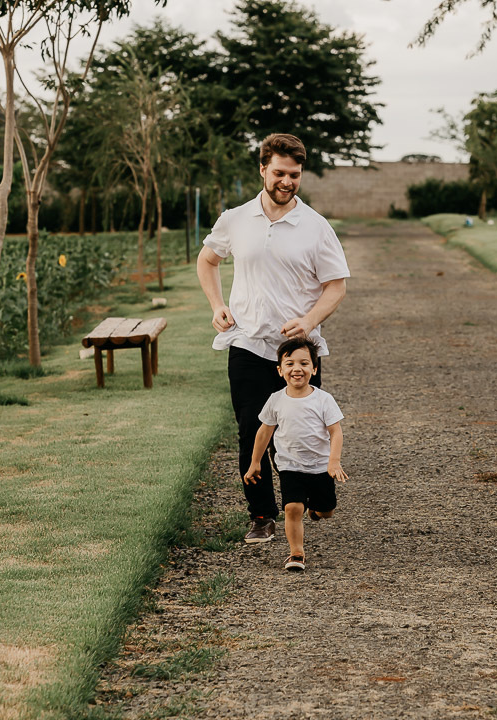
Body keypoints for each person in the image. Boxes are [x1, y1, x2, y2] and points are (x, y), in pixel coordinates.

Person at [197, 133, 350, 544]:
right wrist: (216, 304)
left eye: (294, 175)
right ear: (263, 169)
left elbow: (336, 286)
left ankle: (315, 495)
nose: (287, 181)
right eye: (280, 172)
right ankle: (262, 514)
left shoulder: (316, 227)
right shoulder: (235, 219)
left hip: (298, 353)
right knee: (252, 432)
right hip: (247, 343)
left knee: (305, 433)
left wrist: (309, 320)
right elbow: (208, 260)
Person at [244, 338, 347, 572]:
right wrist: (255, 462)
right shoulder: (276, 400)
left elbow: (336, 432)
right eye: (289, 364)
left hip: (320, 466)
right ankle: (296, 553)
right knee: (292, 508)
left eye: (304, 363)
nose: (297, 369)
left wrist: (334, 462)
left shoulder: (323, 400)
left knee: (327, 511)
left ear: (314, 369)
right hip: (289, 465)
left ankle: (315, 510)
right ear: (280, 370)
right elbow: (264, 432)